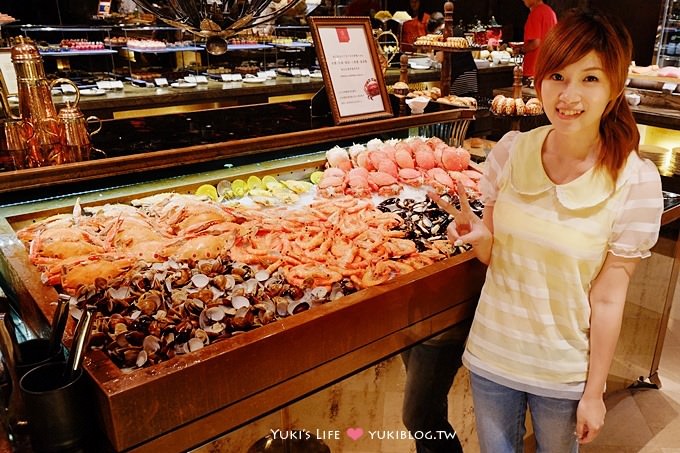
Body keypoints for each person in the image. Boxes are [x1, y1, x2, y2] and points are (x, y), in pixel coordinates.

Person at [448, 8, 664, 453]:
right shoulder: (511, 151)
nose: (569, 94)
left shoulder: (634, 181)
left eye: (590, 79)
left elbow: (608, 299)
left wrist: (594, 392)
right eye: (558, 76)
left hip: (563, 371)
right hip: (492, 353)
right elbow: (494, 258)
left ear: (614, 89)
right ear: (540, 79)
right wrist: (482, 241)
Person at [521, 0, 557, 79]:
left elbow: (535, 43)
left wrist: (521, 49)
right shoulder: (550, 12)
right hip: (547, 66)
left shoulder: (535, 13)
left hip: (533, 68)